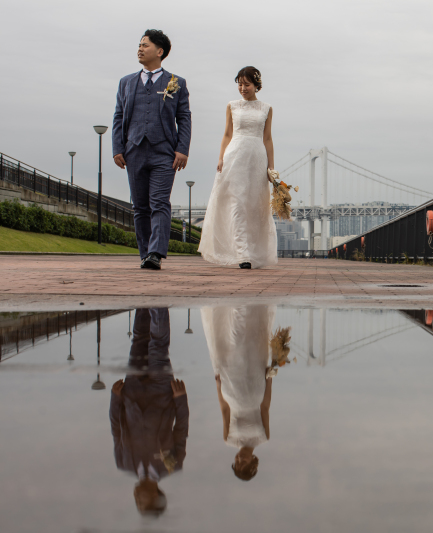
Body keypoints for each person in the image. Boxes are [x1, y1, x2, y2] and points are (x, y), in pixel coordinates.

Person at [112, 29, 192, 270]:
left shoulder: (176, 83)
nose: (139, 48)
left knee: (159, 202)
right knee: (139, 206)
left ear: (159, 51)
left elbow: (184, 118)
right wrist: (118, 147)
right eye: (139, 44)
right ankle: (145, 253)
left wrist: (182, 149)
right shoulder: (126, 82)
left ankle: (156, 253)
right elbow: (118, 115)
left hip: (164, 152)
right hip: (133, 150)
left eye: (145, 45)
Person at [110, 308, 189, 515]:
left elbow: (116, 430)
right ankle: (158, 303)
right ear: (155, 497)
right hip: (162, 393)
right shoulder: (172, 466)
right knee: (158, 346)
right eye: (141, 502)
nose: (135, 497)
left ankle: (144, 301)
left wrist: (115, 399)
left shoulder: (123, 463)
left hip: (132, 393)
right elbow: (181, 430)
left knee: (138, 340)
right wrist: (181, 400)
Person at [198, 66, 278, 269]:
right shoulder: (232, 106)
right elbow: (227, 134)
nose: (242, 88)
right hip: (234, 156)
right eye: (239, 84)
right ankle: (243, 254)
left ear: (256, 85)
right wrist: (220, 158)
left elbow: (267, 139)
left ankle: (252, 251)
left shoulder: (266, 108)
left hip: (257, 158)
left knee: (254, 205)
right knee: (237, 203)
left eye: (247, 84)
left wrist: (271, 167)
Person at [201, 305, 278, 480]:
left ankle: (235, 308)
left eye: (236, 463)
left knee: (234, 342)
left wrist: (218, 386)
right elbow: (265, 408)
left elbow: (224, 410)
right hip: (255, 382)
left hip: (232, 383)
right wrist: (269, 380)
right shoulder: (263, 437)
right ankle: (249, 307)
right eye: (243, 463)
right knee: (250, 342)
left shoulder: (229, 439)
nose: (238, 460)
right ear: (253, 461)